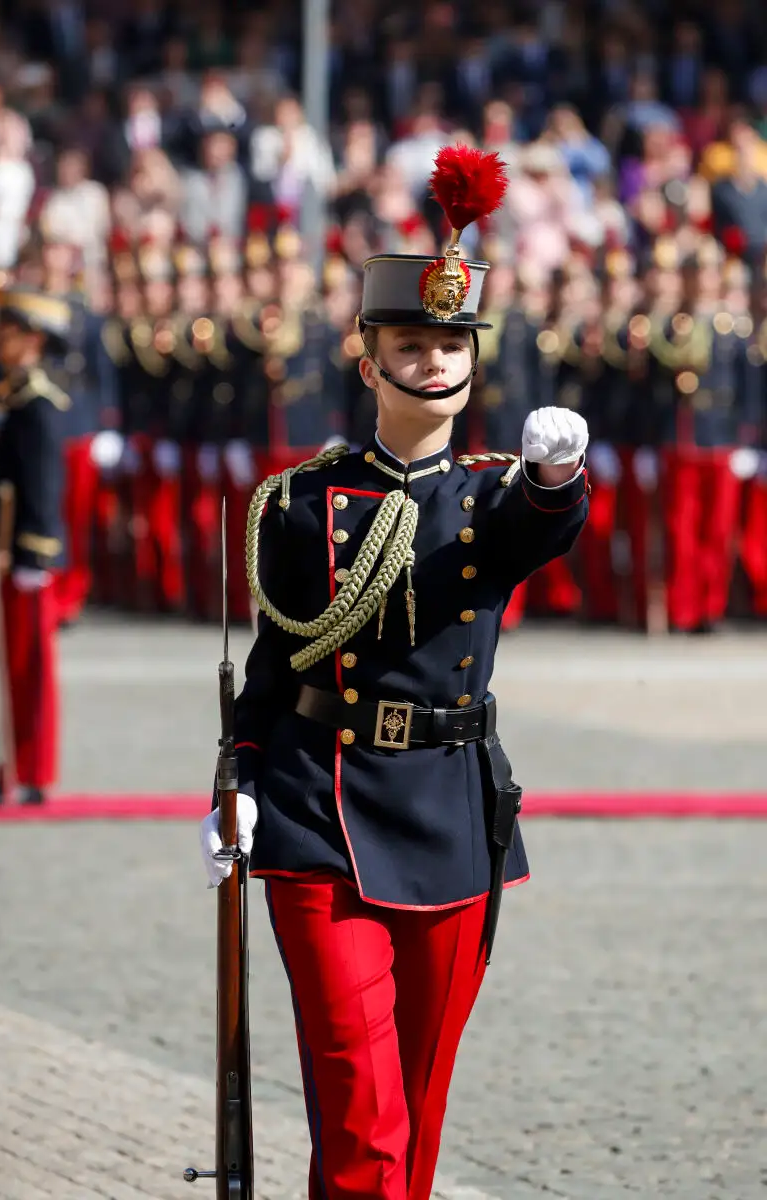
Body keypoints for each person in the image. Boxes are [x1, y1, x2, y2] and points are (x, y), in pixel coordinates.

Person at [199, 148, 590, 1200]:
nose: (430, 361)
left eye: (447, 343)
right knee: (361, 1118)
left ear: (473, 361)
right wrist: (236, 776)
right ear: (366, 361)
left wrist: (554, 478)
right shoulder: (297, 499)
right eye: (407, 344)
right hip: (317, 806)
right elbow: (279, 658)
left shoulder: (486, 497)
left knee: (416, 1116)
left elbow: (531, 530)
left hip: (451, 811)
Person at [0, 287, 72, 805]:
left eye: (6, 330)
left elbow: (43, 487)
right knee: (10, 666)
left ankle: (32, 773)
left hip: (22, 555)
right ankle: (11, 766)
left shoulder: (37, 403)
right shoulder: (8, 394)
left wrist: (35, 553)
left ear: (31, 339)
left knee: (31, 669)